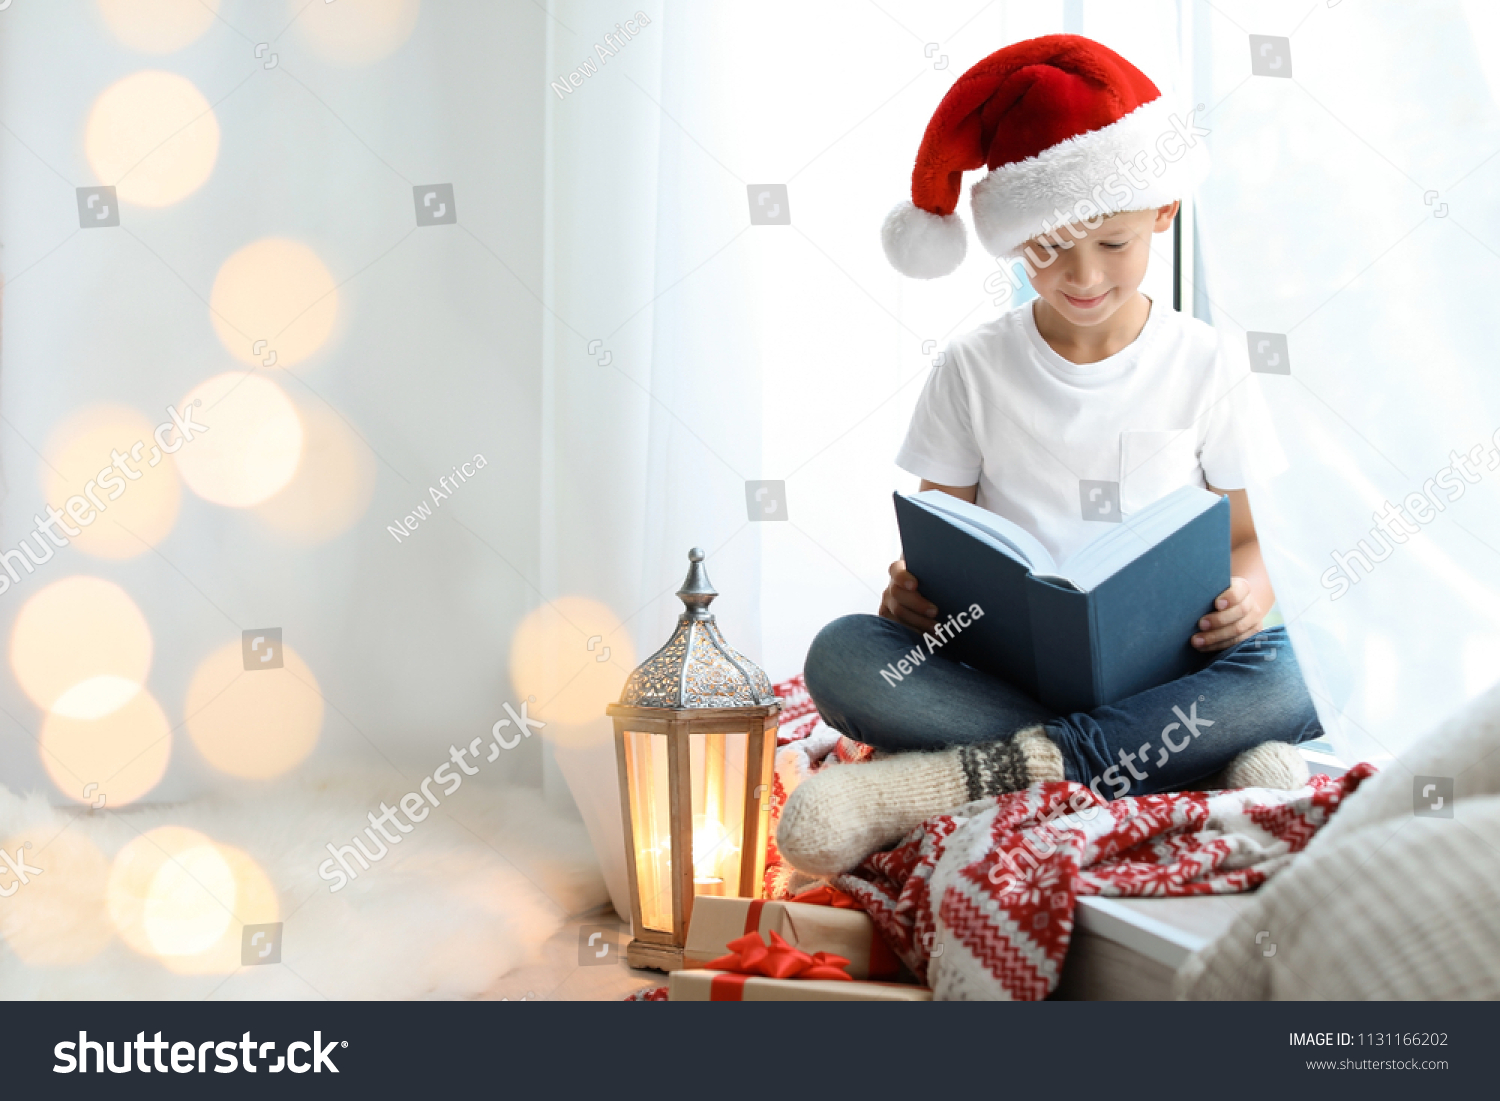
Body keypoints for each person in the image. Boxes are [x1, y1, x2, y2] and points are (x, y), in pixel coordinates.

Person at [777, 34, 1322, 877]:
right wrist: (908, 596)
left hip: (1165, 669)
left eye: (1113, 243)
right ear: (1012, 241)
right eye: (1049, 246)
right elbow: (939, 540)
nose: (1083, 273)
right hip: (1006, 678)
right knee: (844, 656)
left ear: (1162, 214)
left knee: (1293, 669)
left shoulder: (1208, 361)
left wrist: (1248, 597)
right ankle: (1177, 762)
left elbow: (1249, 541)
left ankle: (987, 772)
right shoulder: (970, 367)